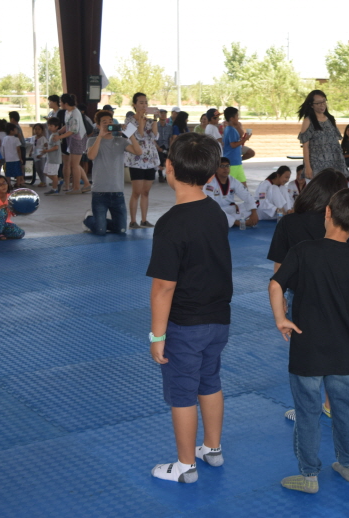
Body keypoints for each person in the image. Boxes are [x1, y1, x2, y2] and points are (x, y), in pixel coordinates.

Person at [269, 188, 349, 494]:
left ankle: (309, 475)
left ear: (327, 212)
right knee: (346, 410)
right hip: (344, 351)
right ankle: (348, 465)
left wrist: (281, 318)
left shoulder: (303, 251)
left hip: (307, 349)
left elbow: (276, 284)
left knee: (307, 413)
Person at [146, 132, 232, 484]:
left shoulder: (170, 223)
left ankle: (185, 467)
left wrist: (157, 336)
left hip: (185, 325)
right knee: (209, 381)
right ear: (211, 174)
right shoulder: (215, 211)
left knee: (182, 393)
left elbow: (163, 287)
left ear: (168, 167)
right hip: (218, 320)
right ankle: (212, 448)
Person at [268, 169, 348, 421]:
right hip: (336, 296)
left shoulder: (289, 222)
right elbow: (346, 262)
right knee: (334, 350)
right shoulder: (338, 224)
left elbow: (279, 268)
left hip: (301, 296)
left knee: (305, 356)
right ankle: (330, 405)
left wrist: (280, 300)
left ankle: (306, 410)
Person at [83, 109, 143, 235]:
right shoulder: (92, 141)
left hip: (117, 192)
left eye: (110, 121)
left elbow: (138, 152)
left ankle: (100, 222)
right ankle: (89, 219)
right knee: (100, 231)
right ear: (98, 126)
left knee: (121, 230)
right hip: (99, 192)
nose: (108, 124)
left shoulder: (120, 141)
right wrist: (100, 136)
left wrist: (130, 134)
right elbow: (91, 156)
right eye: (104, 122)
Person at [125, 92, 160, 229]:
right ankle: (133, 221)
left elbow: (155, 136)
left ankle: (144, 220)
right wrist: (140, 120)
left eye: (146, 102)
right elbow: (139, 136)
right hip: (136, 160)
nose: (144, 105)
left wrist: (155, 119)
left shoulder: (150, 121)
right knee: (137, 192)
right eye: (141, 102)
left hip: (150, 159)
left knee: (146, 192)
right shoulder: (129, 121)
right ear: (134, 104)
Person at [297, 90, 344, 179]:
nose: (322, 105)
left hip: (334, 162)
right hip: (317, 164)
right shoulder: (308, 121)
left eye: (324, 101)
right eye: (318, 103)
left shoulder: (331, 119)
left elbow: (335, 143)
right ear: (311, 105)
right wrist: (307, 167)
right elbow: (305, 146)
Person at [203, 157, 258, 229]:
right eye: (222, 166)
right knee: (213, 212)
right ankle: (235, 221)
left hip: (230, 209)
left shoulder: (233, 181)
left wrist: (254, 212)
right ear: (215, 169)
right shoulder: (210, 182)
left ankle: (228, 221)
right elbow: (211, 204)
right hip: (217, 210)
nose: (225, 168)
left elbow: (246, 196)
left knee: (255, 205)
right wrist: (238, 223)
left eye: (227, 166)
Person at [53, 93, 89, 194]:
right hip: (72, 140)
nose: (60, 104)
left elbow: (73, 130)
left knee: (74, 165)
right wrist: (59, 131)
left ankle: (76, 187)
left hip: (78, 139)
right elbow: (67, 125)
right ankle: (86, 184)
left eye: (61, 102)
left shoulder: (75, 113)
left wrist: (59, 137)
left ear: (66, 103)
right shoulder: (68, 112)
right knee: (75, 164)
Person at [0, 174, 24, 239]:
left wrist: (16, 210)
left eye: (4, 183)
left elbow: (13, 214)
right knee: (2, 211)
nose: (3, 186)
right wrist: (1, 207)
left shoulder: (10, 197)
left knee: (21, 233)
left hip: (5, 223)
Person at [222, 107, 250, 187]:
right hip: (232, 162)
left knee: (244, 186)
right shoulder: (230, 130)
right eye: (237, 116)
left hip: (237, 162)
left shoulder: (231, 129)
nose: (238, 118)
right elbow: (233, 145)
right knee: (229, 186)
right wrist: (245, 139)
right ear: (232, 118)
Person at [43, 118, 62, 195]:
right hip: (50, 158)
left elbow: (56, 147)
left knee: (53, 174)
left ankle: (54, 188)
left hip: (54, 159)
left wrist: (47, 151)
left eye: (51, 126)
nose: (49, 127)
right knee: (46, 172)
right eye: (49, 125)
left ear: (56, 127)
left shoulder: (55, 135)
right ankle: (57, 182)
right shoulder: (52, 135)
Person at [1, 123, 24, 187]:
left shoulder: (5, 138)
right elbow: (18, 149)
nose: (17, 130)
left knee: (8, 173)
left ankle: (9, 184)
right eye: (15, 129)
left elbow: (3, 148)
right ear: (11, 131)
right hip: (16, 158)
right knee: (18, 172)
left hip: (8, 159)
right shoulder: (16, 139)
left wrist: (4, 157)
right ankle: (18, 184)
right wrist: (20, 158)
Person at [156, 108, 173, 183]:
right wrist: (157, 147)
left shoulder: (169, 127)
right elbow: (153, 138)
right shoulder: (155, 125)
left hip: (166, 146)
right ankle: (160, 175)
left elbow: (170, 138)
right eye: (161, 113)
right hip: (158, 145)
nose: (163, 115)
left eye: (164, 114)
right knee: (160, 158)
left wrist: (171, 148)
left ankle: (167, 175)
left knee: (168, 160)